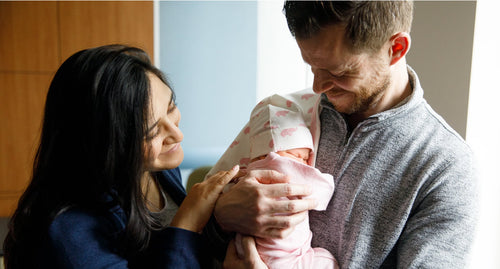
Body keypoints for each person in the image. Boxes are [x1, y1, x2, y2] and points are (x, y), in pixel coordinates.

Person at [209, 1, 478, 268]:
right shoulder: (282, 114)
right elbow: (193, 236)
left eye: (338, 72)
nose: (318, 86)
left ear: (396, 49)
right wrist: (223, 217)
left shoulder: (445, 167)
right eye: (313, 67)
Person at [2, 44, 241, 268]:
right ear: (103, 143)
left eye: (171, 107)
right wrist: (187, 222)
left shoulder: (158, 168)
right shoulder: (69, 232)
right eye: (152, 131)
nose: (177, 134)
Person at [222, 96, 338, 269]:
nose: (306, 163)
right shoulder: (283, 166)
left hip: (246, 249)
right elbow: (325, 190)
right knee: (327, 260)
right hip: (287, 258)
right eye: (300, 157)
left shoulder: (247, 172)